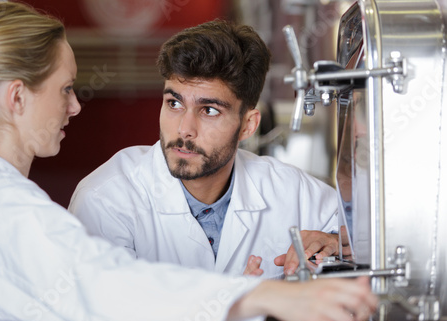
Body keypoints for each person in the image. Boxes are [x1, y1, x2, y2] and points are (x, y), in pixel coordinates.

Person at [0, 3, 376, 321]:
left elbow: (379, 243)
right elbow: (104, 288)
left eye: (209, 110)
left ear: (248, 125)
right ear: (18, 98)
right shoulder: (5, 207)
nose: (76, 105)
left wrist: (343, 245)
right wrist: (258, 296)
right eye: (64, 89)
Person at [69, 19, 347, 280]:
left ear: (248, 126)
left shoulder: (290, 190)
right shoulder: (106, 199)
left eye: (209, 110)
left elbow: (370, 233)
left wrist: (336, 242)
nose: (184, 129)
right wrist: (231, 305)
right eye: (174, 104)